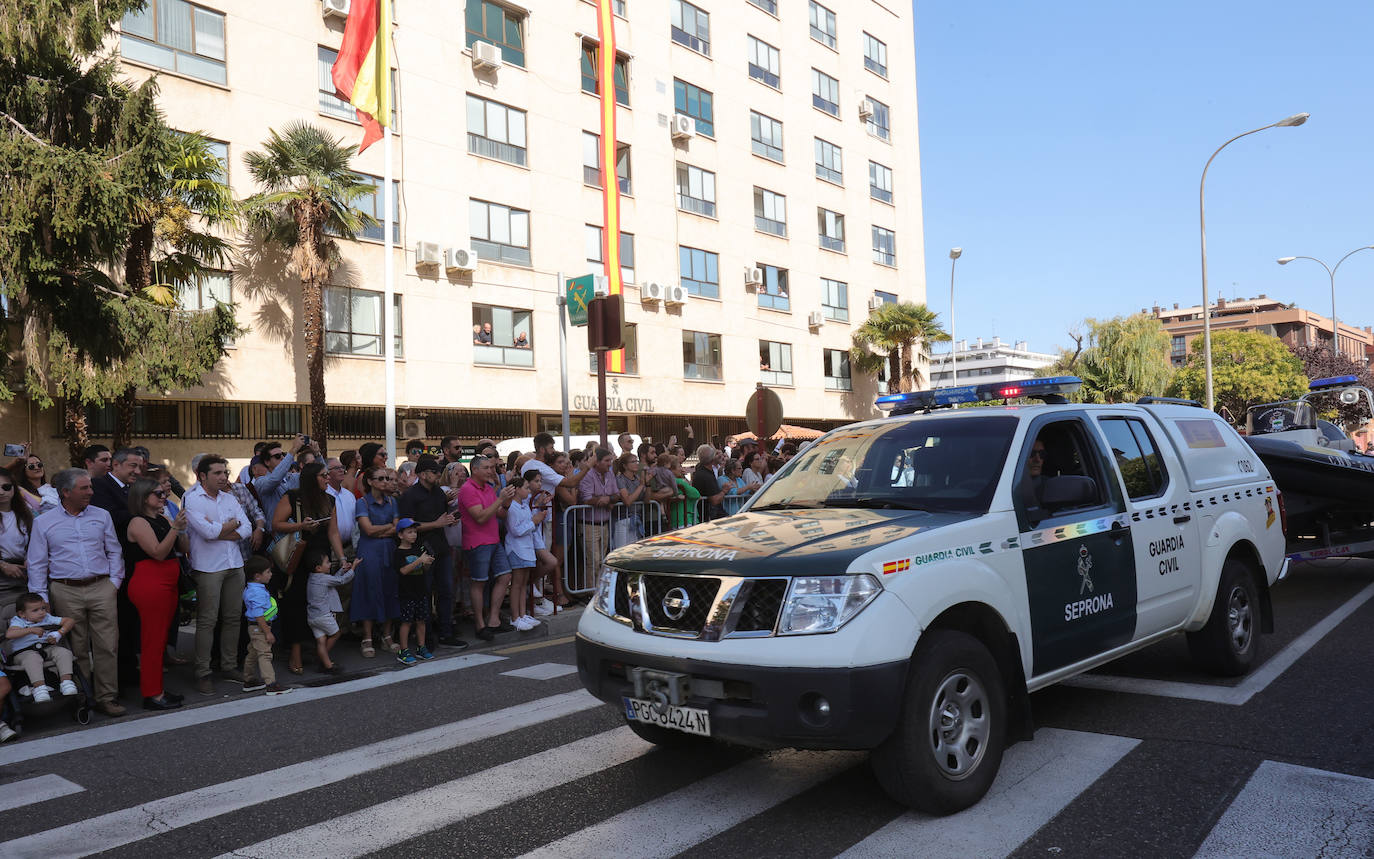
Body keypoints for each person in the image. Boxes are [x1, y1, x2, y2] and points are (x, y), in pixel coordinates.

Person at [26, 468, 126, 717]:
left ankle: (106, 697)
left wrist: (114, 582)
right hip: (65, 589)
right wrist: (41, 600)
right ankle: (83, 696)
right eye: (85, 488)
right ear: (66, 492)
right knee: (75, 647)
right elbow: (37, 563)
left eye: (90, 487)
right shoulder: (43, 522)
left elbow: (114, 550)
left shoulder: (101, 515)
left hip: (101, 586)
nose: (91, 492)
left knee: (107, 645)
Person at [273, 461, 352, 674]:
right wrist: (301, 525)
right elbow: (277, 523)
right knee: (296, 605)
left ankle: (320, 654)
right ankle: (295, 654)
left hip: (320, 559)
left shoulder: (329, 499)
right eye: (323, 475)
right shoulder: (293, 496)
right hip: (298, 557)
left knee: (320, 605)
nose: (328, 478)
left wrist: (342, 558)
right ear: (311, 478)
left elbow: (333, 532)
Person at [183, 455, 251, 695]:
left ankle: (229, 665)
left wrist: (221, 529)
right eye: (218, 473)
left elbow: (248, 528)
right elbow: (208, 533)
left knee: (233, 618)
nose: (224, 477)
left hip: (234, 563)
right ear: (202, 476)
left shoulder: (229, 498)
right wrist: (231, 526)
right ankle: (203, 671)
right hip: (208, 567)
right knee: (207, 621)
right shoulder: (192, 500)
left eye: (225, 472)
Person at [124, 478, 188, 710]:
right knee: (152, 641)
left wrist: (180, 528)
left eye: (163, 493)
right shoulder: (138, 523)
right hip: (151, 583)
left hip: (168, 583)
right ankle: (152, 695)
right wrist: (174, 528)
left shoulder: (161, 518)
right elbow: (158, 553)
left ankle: (158, 689)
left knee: (160, 641)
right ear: (142, 497)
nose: (163, 496)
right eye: (157, 493)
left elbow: (184, 548)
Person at [399, 455, 464, 648]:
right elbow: (407, 526)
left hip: (441, 546)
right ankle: (425, 637)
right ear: (422, 474)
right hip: (421, 549)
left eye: (438, 471)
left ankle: (445, 632)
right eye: (434, 472)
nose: (438, 474)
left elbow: (441, 517)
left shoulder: (437, 493)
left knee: (445, 590)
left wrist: (450, 519)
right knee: (424, 593)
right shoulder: (410, 496)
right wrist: (436, 523)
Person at [460, 455, 516, 640]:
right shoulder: (468, 489)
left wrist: (507, 501)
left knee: (505, 575)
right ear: (474, 469)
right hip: (477, 542)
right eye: (486, 468)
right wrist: (501, 500)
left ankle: (493, 619)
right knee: (479, 582)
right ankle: (479, 624)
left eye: (492, 467)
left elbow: (500, 514)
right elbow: (481, 517)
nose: (491, 471)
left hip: (492, 540)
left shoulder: (488, 488)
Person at [352, 466, 400, 656]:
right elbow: (367, 530)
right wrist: (388, 527)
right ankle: (367, 637)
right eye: (380, 478)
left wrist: (382, 528)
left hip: (388, 548)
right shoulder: (362, 502)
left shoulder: (392, 502)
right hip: (369, 549)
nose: (385, 482)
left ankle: (387, 635)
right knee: (368, 589)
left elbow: (396, 529)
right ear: (370, 482)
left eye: (387, 478)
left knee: (390, 589)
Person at [4, 592, 78, 703]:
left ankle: (66, 683)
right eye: (35, 610)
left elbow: (70, 621)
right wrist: (30, 630)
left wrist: (58, 633)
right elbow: (9, 634)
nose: (41, 612)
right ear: (22, 614)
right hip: (23, 653)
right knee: (33, 658)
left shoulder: (46, 618)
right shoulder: (18, 621)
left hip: (46, 648)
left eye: (43, 608)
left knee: (64, 652)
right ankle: (40, 688)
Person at [241, 556, 289, 695]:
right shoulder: (257, 592)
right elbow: (258, 614)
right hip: (259, 627)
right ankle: (271, 683)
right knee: (265, 654)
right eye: (268, 572)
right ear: (257, 576)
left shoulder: (252, 588)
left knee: (253, 652)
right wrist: (267, 632)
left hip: (255, 627)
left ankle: (249, 680)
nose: (271, 574)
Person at [502, 476, 545, 631]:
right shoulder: (512, 507)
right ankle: (515, 617)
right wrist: (534, 521)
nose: (528, 490)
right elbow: (515, 530)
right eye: (526, 487)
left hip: (526, 548)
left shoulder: (524, 506)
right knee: (517, 584)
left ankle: (522, 614)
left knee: (524, 583)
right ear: (516, 490)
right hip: (517, 549)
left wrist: (534, 521)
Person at [305, 548, 354, 674]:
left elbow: (333, 579)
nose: (330, 564)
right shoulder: (323, 579)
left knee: (321, 641)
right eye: (327, 562)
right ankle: (322, 659)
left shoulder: (313, 578)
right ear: (318, 568)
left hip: (312, 617)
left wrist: (343, 570)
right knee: (336, 634)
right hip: (323, 615)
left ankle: (326, 665)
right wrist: (353, 568)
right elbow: (341, 581)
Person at [393, 518, 434, 664]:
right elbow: (403, 571)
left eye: (415, 532)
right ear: (400, 535)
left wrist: (427, 563)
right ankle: (403, 650)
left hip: (420, 589)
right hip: (406, 592)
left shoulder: (418, 549)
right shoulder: (398, 553)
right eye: (409, 532)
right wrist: (419, 561)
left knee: (421, 620)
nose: (413, 535)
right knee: (406, 621)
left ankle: (421, 647)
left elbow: (424, 569)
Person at [578, 448, 618, 574]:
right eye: (607, 461)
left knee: (602, 560)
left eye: (610, 460)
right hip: (589, 524)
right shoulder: (587, 475)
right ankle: (591, 591)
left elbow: (617, 495)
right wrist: (603, 500)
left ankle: (598, 589)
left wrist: (608, 499)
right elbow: (587, 499)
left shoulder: (610, 473)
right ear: (596, 462)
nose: (610, 463)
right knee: (593, 560)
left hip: (604, 523)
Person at [0, 475, 33, 626]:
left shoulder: (26, 515)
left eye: (6, 487)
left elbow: (36, 543)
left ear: (14, 488)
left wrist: (30, 559)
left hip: (25, 577)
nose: (1, 492)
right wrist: (2, 565)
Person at [692, 444, 727, 521]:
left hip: (703, 515)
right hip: (709, 517)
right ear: (712, 459)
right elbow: (714, 500)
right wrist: (724, 491)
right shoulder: (706, 476)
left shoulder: (699, 471)